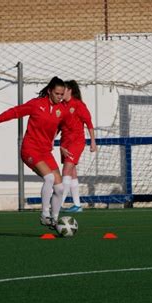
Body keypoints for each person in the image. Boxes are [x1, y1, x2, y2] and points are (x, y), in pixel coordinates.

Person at [0, 76, 68, 228]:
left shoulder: (62, 110)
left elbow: (64, 127)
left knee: (60, 188)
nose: (60, 97)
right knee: (49, 178)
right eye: (57, 94)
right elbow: (16, 111)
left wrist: (62, 144)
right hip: (30, 149)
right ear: (50, 91)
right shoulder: (37, 104)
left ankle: (55, 220)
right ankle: (45, 215)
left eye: (62, 94)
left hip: (45, 151)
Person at [59, 80, 97, 212]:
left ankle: (58, 203)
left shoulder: (78, 105)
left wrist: (93, 141)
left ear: (69, 90)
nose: (61, 92)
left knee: (66, 170)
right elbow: (57, 125)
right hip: (64, 143)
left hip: (77, 142)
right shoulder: (60, 105)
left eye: (63, 89)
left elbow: (89, 123)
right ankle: (77, 205)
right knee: (72, 172)